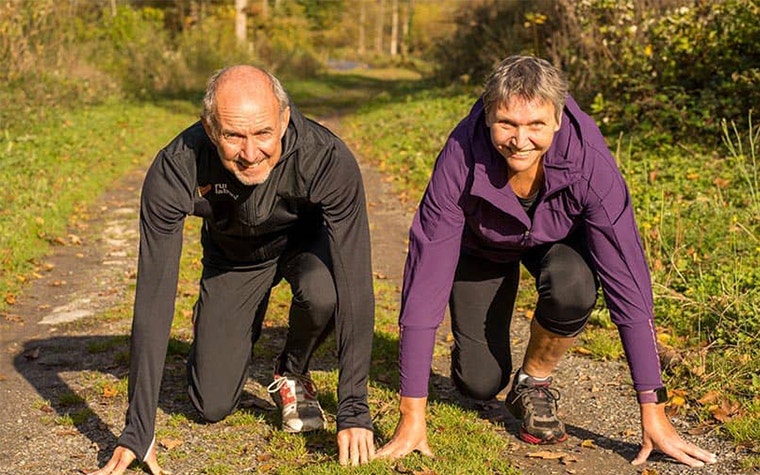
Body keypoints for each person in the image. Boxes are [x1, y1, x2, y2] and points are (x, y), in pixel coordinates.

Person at [376, 56, 718, 468]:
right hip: (482, 247)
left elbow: (628, 287)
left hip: (556, 241)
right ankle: (487, 370)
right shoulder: (459, 159)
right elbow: (424, 282)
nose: (521, 140)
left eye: (536, 125)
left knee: (574, 286)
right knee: (479, 385)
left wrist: (654, 411)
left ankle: (532, 382)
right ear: (487, 117)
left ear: (557, 118)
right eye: (507, 124)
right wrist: (411, 415)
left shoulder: (590, 162)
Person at [89, 65, 376, 475]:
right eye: (233, 136)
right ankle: (218, 324)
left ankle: (292, 371)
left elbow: (357, 286)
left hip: (305, 247)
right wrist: (138, 429)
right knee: (211, 404)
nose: (251, 151)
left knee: (324, 293)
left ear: (284, 119)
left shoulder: (326, 157)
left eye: (263, 133)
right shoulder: (175, 167)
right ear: (209, 128)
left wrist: (353, 410)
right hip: (235, 258)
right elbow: (153, 298)